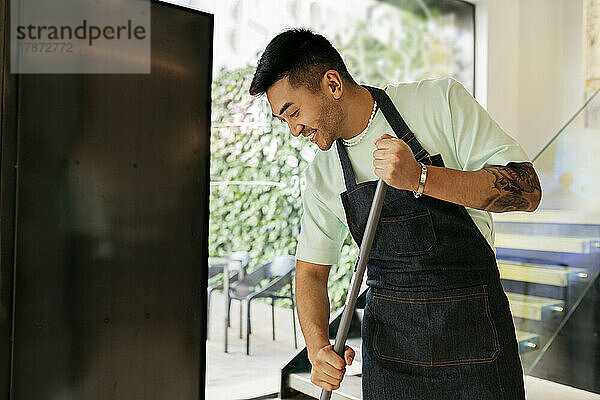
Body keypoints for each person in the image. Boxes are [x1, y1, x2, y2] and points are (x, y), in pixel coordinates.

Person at [249, 28, 540, 400]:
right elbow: (310, 272)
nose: (294, 130)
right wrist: (317, 345)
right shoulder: (323, 173)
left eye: (294, 112)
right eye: (283, 120)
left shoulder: (438, 102)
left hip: (476, 341)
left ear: (333, 83)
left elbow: (528, 190)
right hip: (391, 356)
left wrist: (421, 177)